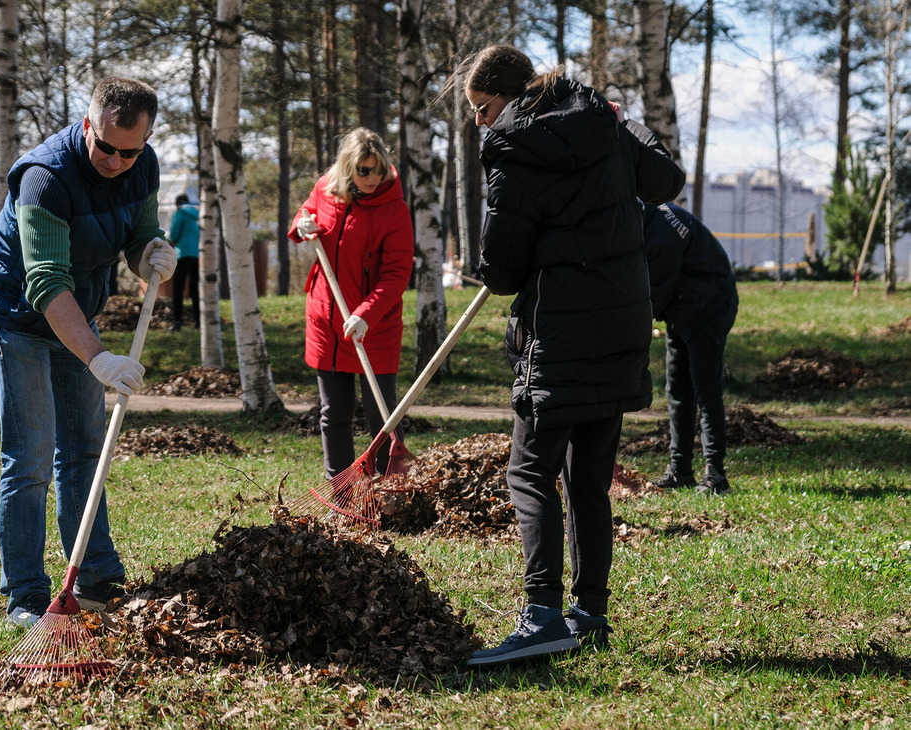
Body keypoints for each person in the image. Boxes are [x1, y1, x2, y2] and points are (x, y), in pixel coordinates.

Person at [460, 45, 686, 667]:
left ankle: (541, 616)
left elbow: (502, 270)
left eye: (483, 107)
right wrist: (627, 125)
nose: (481, 122)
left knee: (529, 472)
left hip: (558, 332)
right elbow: (666, 182)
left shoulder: (510, 149)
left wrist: (479, 265)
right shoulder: (604, 124)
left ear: (510, 96)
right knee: (588, 477)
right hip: (620, 322)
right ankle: (590, 613)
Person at [0, 78, 177, 628]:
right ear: (87, 125)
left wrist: (150, 257)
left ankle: (95, 573)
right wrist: (98, 358)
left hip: (77, 305)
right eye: (105, 146)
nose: (116, 161)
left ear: (147, 140)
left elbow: (139, 236)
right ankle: (25, 594)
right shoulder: (44, 177)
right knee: (32, 453)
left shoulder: (143, 164)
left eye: (129, 151)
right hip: (19, 311)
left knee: (86, 446)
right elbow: (45, 280)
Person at [287, 127, 414, 479]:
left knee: (381, 414)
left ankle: (393, 488)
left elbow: (397, 274)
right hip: (327, 319)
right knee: (334, 412)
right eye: (363, 170)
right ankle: (340, 488)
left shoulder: (395, 209)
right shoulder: (326, 189)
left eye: (377, 169)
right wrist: (303, 225)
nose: (372, 178)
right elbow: (305, 216)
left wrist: (365, 314)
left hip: (376, 324)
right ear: (347, 169)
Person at [643, 201, 738, 496]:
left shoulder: (659, 234)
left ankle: (716, 474)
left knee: (704, 389)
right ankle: (680, 470)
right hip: (683, 307)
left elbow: (652, 295)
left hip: (710, 306)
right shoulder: (649, 217)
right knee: (677, 389)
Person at [167, 193, 200, 331]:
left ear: (177, 204)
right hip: (196, 254)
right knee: (194, 290)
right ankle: (199, 321)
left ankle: (178, 322)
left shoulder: (180, 214)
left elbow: (174, 235)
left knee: (178, 289)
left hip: (182, 255)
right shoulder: (196, 215)